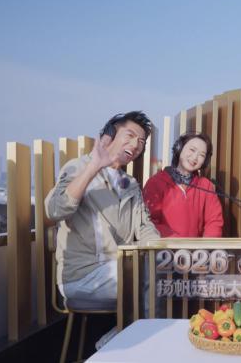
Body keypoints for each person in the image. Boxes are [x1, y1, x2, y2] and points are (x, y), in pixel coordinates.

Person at [45, 111, 160, 310]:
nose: (135, 145)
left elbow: (144, 227)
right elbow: (55, 211)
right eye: (130, 135)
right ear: (109, 135)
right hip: (84, 274)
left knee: (166, 274)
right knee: (149, 279)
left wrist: (164, 255)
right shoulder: (78, 167)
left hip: (120, 267)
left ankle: (127, 332)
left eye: (141, 142)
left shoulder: (130, 184)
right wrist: (94, 167)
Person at [142, 132, 224, 237]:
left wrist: (207, 245)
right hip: (164, 246)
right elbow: (149, 221)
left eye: (202, 155)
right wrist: (176, 241)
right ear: (179, 148)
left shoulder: (206, 186)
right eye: (192, 150)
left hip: (195, 247)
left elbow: (214, 222)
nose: (195, 157)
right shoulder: (155, 182)